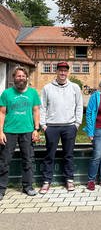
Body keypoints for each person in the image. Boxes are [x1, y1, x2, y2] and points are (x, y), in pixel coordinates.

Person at [39, 61, 83, 194]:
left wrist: (77, 124)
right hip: (52, 127)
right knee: (49, 155)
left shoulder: (74, 87)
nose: (62, 73)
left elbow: (79, 105)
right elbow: (43, 107)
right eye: (60, 70)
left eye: (65, 70)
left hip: (69, 126)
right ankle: (46, 181)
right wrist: (43, 125)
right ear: (56, 71)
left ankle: (69, 180)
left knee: (68, 154)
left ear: (67, 72)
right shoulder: (47, 88)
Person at [0, 66, 41, 200]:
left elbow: (36, 111)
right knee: (4, 161)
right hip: (9, 131)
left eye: (23, 76)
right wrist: (0, 131)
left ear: (26, 77)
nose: (21, 78)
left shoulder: (33, 93)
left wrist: (36, 129)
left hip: (28, 131)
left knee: (28, 160)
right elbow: (2, 113)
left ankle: (28, 186)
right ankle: (1, 188)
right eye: (18, 76)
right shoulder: (6, 93)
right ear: (14, 78)